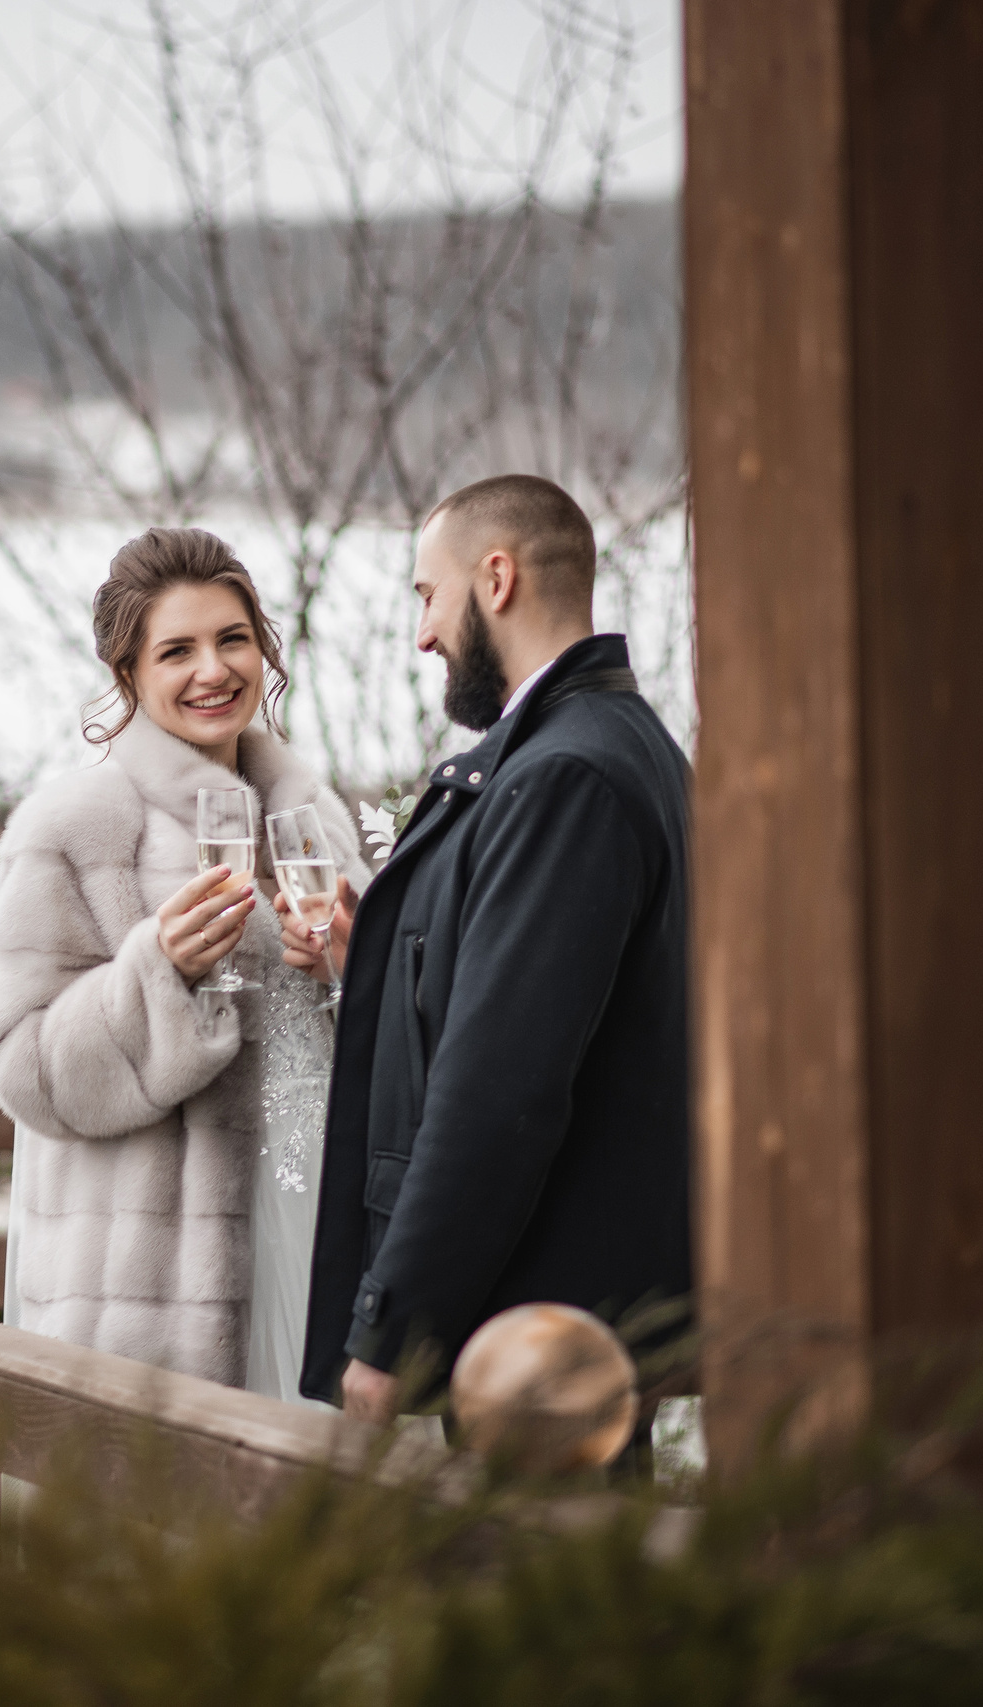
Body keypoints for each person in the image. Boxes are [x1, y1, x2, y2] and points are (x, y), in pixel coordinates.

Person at [287, 475, 692, 1420]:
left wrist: (392, 1332)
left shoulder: (562, 778)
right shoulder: (626, 743)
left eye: (427, 595)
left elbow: (502, 1087)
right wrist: (379, 970)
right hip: (560, 1318)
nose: (422, 634)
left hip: (539, 1337)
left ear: (496, 578)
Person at [0, 526, 368, 1396]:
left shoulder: (319, 821)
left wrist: (350, 968)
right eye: (177, 649)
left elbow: (398, 1042)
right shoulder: (72, 829)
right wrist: (156, 974)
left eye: (233, 639)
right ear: (128, 675)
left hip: (325, 1242)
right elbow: (22, 1066)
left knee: (340, 1519)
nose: (213, 670)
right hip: (152, 1290)